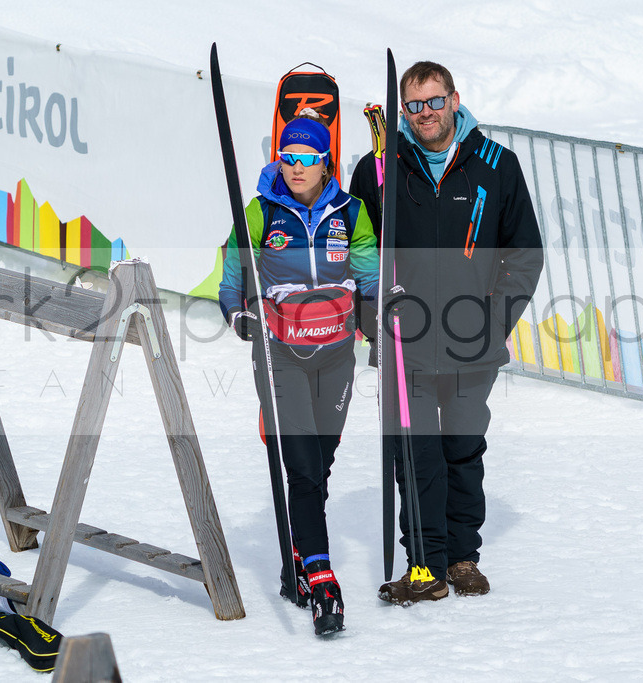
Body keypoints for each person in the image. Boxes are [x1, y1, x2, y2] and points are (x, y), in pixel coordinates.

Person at [349, 62, 544, 605]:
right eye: (414, 105)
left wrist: (493, 320)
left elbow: (524, 253)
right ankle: (425, 566)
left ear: (455, 100)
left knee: (462, 450)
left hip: (471, 344)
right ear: (403, 111)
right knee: (415, 456)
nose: (425, 113)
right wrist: (371, 320)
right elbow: (357, 253)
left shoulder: (496, 165)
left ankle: (461, 557)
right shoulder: (380, 169)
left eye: (435, 101)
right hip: (403, 343)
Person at [219, 112, 379, 635]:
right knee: (304, 467)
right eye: (288, 157)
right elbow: (232, 276)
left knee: (321, 462)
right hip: (281, 353)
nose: (296, 166)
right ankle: (321, 576)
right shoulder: (260, 212)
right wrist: (237, 313)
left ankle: (299, 545)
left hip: (336, 353)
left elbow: (369, 275)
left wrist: (378, 314)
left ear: (325, 161)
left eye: (307, 157)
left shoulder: (349, 212)